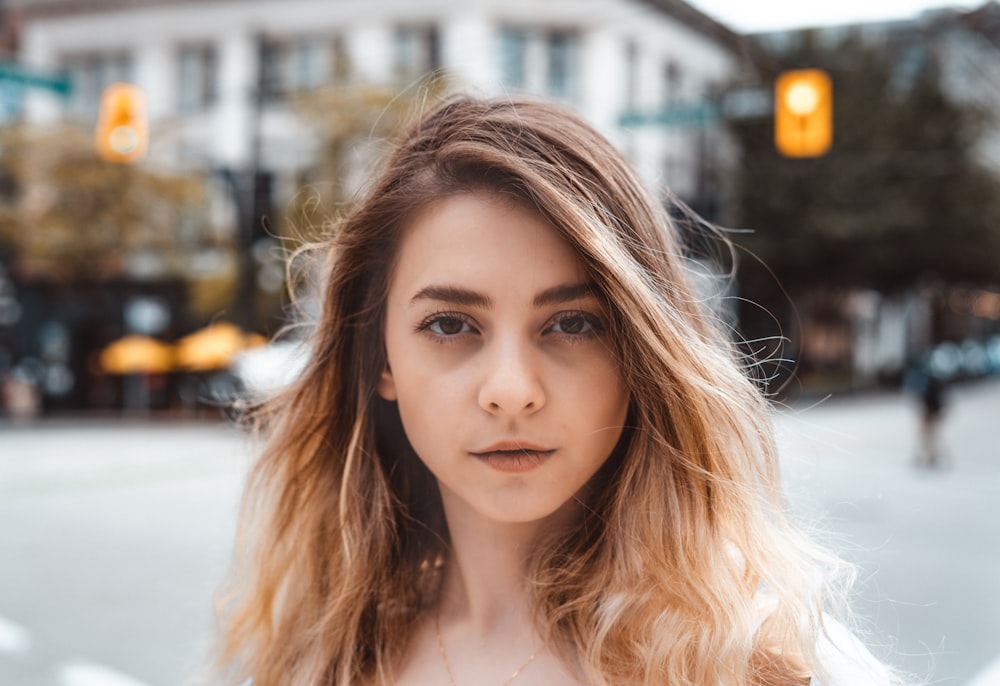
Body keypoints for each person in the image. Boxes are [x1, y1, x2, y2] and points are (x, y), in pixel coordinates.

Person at [214, 95, 898, 686]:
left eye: (572, 324)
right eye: (450, 325)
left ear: (638, 351)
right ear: (378, 357)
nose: (512, 392)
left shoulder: (757, 661)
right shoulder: (318, 662)